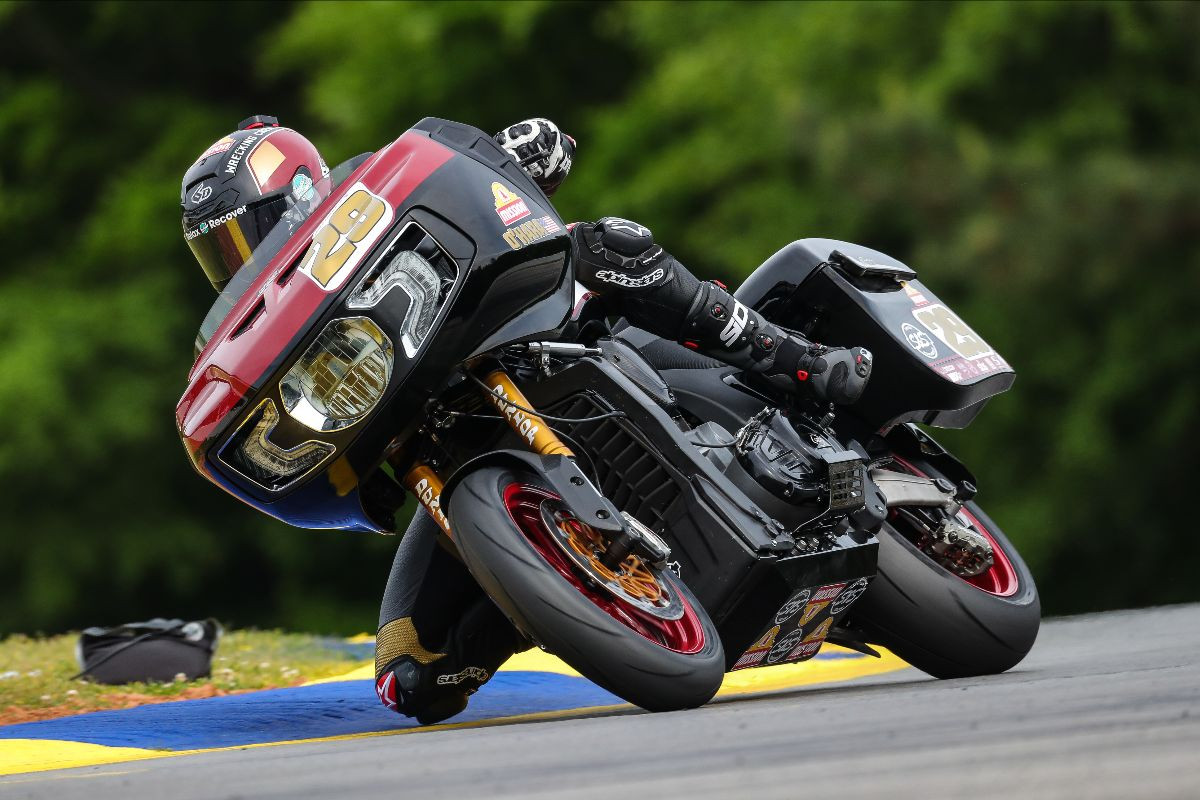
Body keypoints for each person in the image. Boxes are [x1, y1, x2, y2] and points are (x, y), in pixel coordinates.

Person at [180, 116, 872, 725]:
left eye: (249, 232)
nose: (242, 259)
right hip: (446, 443)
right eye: (222, 251)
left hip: (565, 336)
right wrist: (532, 595)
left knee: (605, 244)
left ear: (303, 190)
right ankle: (560, 587)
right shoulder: (261, 329)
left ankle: (796, 356)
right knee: (407, 676)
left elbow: (474, 181)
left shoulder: (380, 197)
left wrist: (514, 152)